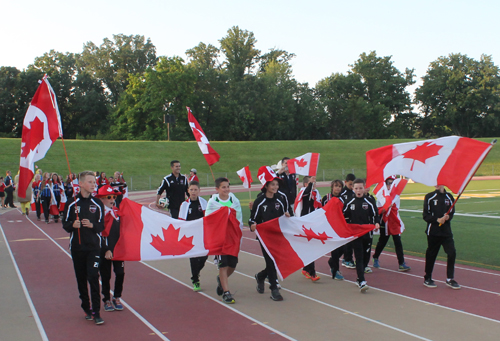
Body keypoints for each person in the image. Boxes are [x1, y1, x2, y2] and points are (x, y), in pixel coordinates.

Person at [62, 170, 105, 324]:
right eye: (90, 182)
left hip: (94, 248)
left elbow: (101, 226)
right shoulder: (71, 203)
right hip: (77, 248)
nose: (93, 185)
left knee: (93, 277)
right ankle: (86, 307)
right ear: (80, 184)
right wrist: (73, 225)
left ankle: (96, 311)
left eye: (94, 182)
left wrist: (92, 225)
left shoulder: (98, 204)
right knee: (81, 279)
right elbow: (65, 225)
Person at [249, 166, 290, 301]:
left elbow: (285, 215)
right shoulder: (259, 202)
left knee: (276, 261)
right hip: (265, 237)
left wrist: (287, 215)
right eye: (273, 184)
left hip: (278, 235)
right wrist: (253, 226)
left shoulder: (281, 199)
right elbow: (252, 219)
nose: (276, 186)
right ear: (266, 185)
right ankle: (274, 289)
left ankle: (261, 276)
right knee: (271, 260)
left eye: (277, 184)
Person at [205, 177, 243, 304]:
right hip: (219, 238)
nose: (226, 189)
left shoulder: (234, 199)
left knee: (232, 265)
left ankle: (221, 280)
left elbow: (238, 216)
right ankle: (226, 292)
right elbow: (210, 219)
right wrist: (223, 213)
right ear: (217, 189)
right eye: (223, 187)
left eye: (227, 186)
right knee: (223, 265)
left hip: (232, 237)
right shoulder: (213, 202)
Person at [342, 178, 380, 292]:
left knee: (365, 256)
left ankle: (360, 276)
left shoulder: (369, 201)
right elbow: (344, 215)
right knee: (358, 256)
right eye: (356, 188)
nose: (358, 190)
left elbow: (375, 215)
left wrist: (376, 223)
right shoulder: (349, 201)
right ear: (353, 189)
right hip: (356, 234)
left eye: (360, 188)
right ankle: (362, 280)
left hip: (367, 233)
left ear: (364, 189)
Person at [422, 185, 460, 289]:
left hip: (446, 232)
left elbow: (451, 212)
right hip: (433, 232)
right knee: (431, 254)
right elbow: (425, 215)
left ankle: (450, 278)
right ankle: (427, 277)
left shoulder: (449, 197)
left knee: (452, 252)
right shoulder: (429, 197)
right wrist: (437, 220)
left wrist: (448, 217)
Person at [96, 185, 126, 312]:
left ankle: (117, 297)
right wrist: (106, 249)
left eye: (114, 197)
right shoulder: (99, 215)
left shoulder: (118, 213)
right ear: (102, 199)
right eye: (109, 197)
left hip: (118, 250)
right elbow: (99, 234)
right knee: (106, 275)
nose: (112, 199)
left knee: (120, 273)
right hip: (104, 251)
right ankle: (107, 299)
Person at [372, 176, 411, 271]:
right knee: (382, 241)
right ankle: (375, 257)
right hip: (385, 222)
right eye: (388, 183)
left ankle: (401, 263)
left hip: (394, 222)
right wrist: (384, 209)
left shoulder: (396, 196)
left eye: (392, 183)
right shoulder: (382, 196)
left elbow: (396, 210)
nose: (390, 185)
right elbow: (377, 210)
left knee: (398, 242)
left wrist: (400, 223)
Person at [178, 180, 208, 291]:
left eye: (195, 190)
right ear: (188, 191)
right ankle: (195, 279)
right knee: (194, 258)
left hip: (202, 234)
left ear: (199, 190)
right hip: (190, 236)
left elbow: (209, 218)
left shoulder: (204, 203)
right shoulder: (184, 205)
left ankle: (196, 272)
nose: (193, 192)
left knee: (204, 256)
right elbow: (181, 221)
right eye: (191, 190)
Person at [294, 176, 322, 281]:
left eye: (314, 183)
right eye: (312, 183)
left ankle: (306, 268)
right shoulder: (304, 194)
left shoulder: (315, 194)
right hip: (305, 224)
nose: (315, 185)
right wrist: (310, 186)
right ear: (306, 184)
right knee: (310, 247)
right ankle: (312, 272)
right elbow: (305, 194)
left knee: (312, 247)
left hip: (313, 224)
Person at [323, 179, 346, 280]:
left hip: (340, 227)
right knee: (335, 250)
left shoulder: (343, 198)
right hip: (330, 227)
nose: (338, 188)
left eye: (340, 186)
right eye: (336, 186)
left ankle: (332, 261)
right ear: (332, 187)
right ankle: (335, 269)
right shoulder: (326, 198)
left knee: (345, 247)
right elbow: (321, 211)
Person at [341, 173, 356, 269]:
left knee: (353, 241)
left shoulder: (354, 192)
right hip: (345, 220)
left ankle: (348, 258)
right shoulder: (342, 193)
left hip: (353, 219)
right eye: (350, 184)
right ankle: (347, 259)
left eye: (353, 184)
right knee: (348, 241)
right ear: (345, 182)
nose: (352, 186)